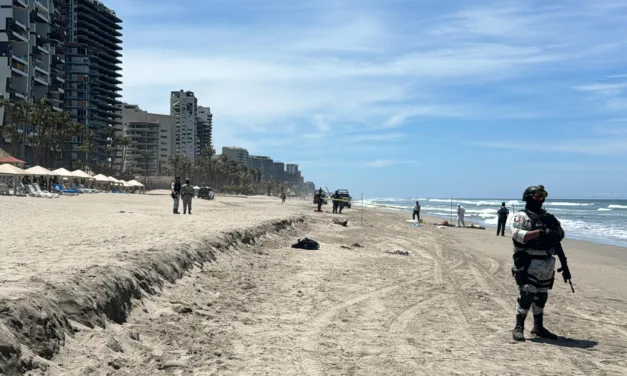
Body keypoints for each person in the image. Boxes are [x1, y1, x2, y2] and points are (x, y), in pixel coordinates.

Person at [511, 185, 565, 342]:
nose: (540, 200)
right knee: (527, 293)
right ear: (528, 198)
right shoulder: (522, 216)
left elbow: (560, 234)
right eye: (536, 197)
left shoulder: (548, 217)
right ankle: (518, 327)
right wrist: (540, 233)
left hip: (546, 261)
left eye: (542, 197)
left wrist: (553, 234)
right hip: (529, 260)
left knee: (541, 295)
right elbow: (517, 235)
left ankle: (538, 327)